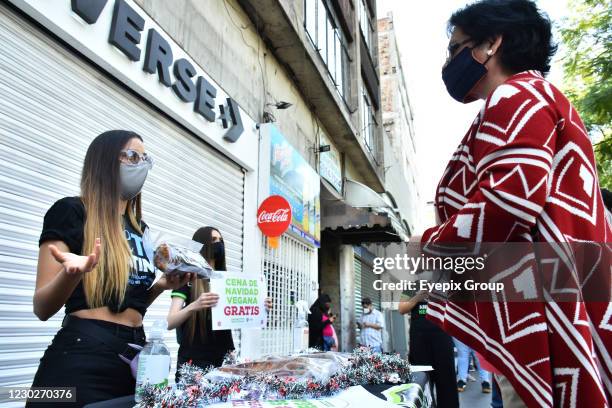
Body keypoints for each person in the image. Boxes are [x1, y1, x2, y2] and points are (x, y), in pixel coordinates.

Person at [422, 0, 611, 407]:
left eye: (456, 48)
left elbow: (508, 202)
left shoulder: (515, 96)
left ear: (491, 44)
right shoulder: (541, 98)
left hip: (541, 308)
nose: (449, 63)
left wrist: (430, 249)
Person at [29, 130, 191, 407]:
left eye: (145, 158)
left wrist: (161, 287)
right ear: (103, 161)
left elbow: (130, 305)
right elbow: (42, 307)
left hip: (136, 362)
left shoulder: (142, 230)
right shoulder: (72, 211)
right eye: (130, 156)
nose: (139, 164)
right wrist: (73, 273)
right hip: (83, 357)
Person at [167, 226, 272, 381]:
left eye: (221, 240)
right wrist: (195, 305)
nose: (219, 244)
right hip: (194, 364)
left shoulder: (227, 280)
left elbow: (241, 311)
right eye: (214, 240)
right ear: (202, 244)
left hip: (225, 362)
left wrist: (260, 306)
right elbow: (170, 322)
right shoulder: (188, 277)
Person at [399, 291, 459, 408]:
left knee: (447, 379)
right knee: (421, 378)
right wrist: (418, 296)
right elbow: (401, 309)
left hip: (442, 335)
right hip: (419, 339)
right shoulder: (411, 285)